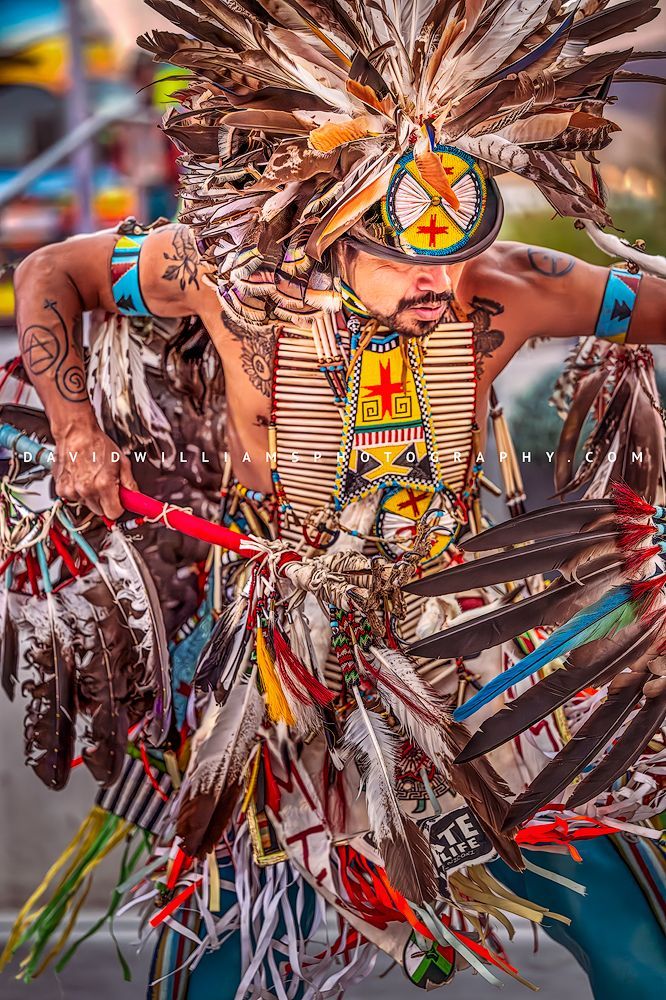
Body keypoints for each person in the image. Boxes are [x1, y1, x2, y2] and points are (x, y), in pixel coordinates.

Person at [3, 1, 666, 997]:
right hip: (273, 661)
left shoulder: (510, 287)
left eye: (454, 256)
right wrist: (77, 432)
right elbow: (52, 269)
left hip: (460, 657)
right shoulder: (220, 277)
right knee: (228, 958)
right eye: (406, 262)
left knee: (635, 954)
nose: (440, 284)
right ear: (334, 235)